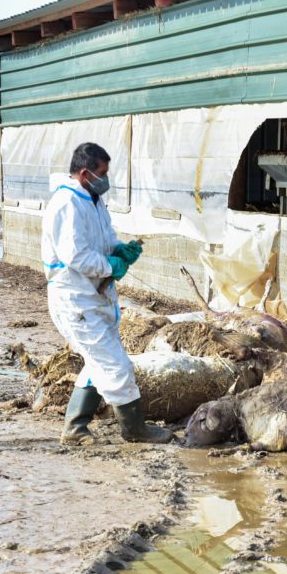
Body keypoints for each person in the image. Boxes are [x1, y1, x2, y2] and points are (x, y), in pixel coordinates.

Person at [41, 142, 172, 445]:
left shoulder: (91, 199)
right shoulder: (67, 203)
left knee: (97, 362)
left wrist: (119, 250)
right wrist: (109, 265)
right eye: (102, 173)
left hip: (94, 297)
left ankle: (75, 427)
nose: (106, 179)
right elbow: (76, 256)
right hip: (76, 299)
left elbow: (102, 240)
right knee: (116, 366)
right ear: (85, 173)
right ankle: (134, 429)